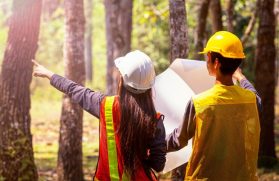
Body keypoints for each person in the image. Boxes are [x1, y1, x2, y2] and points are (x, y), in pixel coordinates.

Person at [32, 50, 166, 181]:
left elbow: (74, 89)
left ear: (122, 81)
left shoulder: (105, 105)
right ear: (149, 87)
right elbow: (158, 165)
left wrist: (49, 74)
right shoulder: (155, 120)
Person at [166, 31, 261, 180]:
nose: (206, 61)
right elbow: (255, 95)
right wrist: (240, 76)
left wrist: (152, 145)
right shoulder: (250, 101)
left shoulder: (199, 103)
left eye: (208, 57)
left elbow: (178, 140)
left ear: (216, 63)